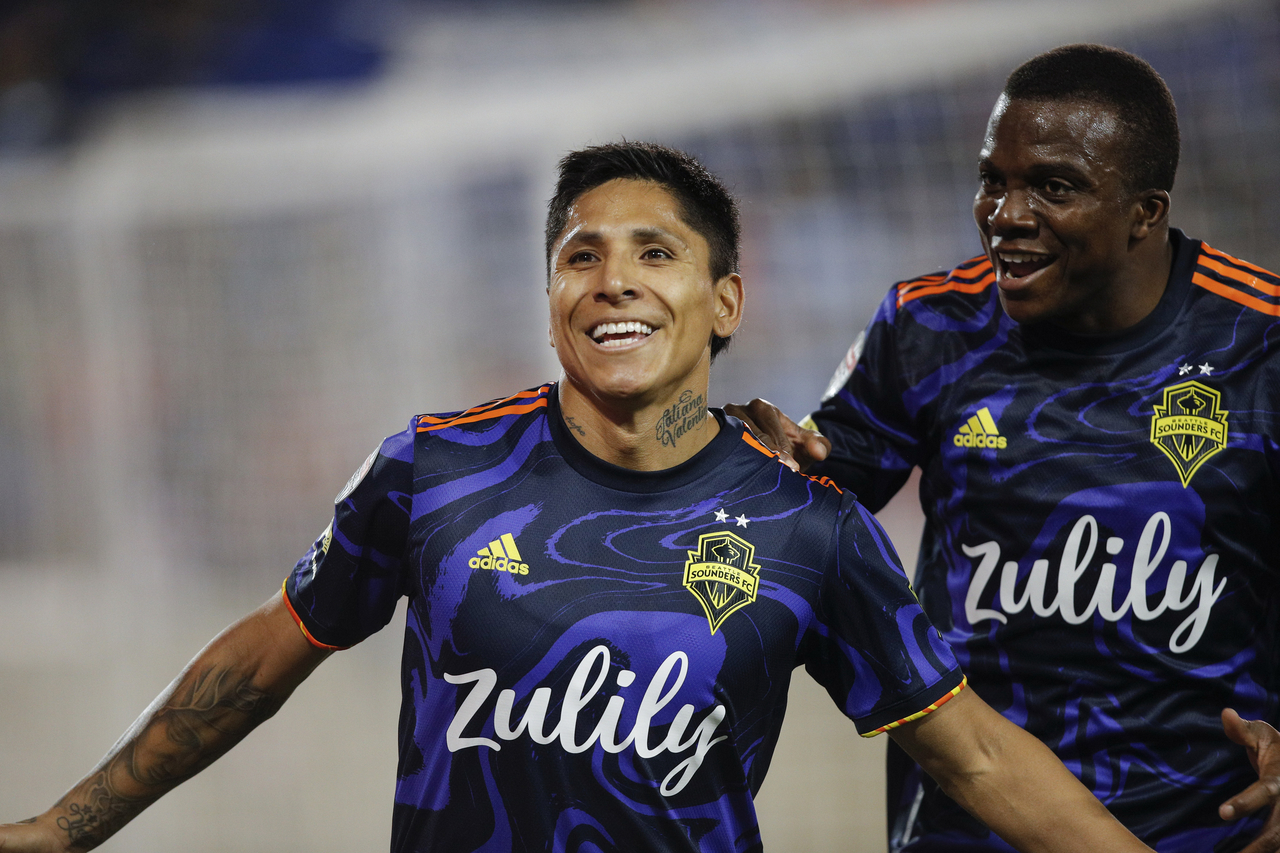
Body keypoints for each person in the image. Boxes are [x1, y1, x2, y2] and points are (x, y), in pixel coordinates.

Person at [0, 142, 1156, 853]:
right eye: (580, 255)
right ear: (550, 292)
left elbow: (973, 755)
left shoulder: (807, 524)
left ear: (724, 301)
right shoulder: (432, 468)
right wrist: (66, 826)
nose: (613, 281)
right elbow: (263, 657)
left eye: (654, 253)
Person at [728, 45, 1280, 853]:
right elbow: (816, 492)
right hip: (969, 825)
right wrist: (769, 465)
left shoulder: (1260, 343)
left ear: (1145, 212)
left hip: (1204, 830)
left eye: (1053, 186)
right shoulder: (928, 326)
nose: (1006, 214)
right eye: (994, 180)